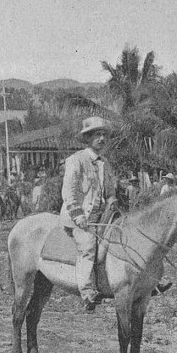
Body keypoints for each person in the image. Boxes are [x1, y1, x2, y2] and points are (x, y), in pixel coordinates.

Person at [60, 116, 120, 311]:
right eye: (97, 135)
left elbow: (110, 191)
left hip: (102, 218)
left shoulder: (106, 164)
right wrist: (79, 216)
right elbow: (70, 191)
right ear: (87, 138)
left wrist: (112, 202)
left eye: (104, 135)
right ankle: (87, 293)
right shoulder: (76, 160)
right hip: (79, 218)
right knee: (87, 246)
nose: (101, 139)